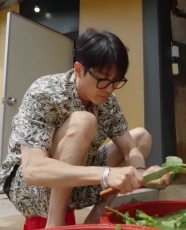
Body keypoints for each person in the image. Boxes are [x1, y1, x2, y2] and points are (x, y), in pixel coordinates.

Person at [0, 28, 168, 227]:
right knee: (84, 121)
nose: (110, 89)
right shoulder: (45, 93)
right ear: (79, 69)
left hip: (78, 182)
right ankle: (55, 223)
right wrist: (106, 174)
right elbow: (33, 171)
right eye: (103, 80)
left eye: (116, 81)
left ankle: (98, 213)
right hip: (29, 188)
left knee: (142, 137)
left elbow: (131, 148)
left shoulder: (109, 101)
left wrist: (140, 172)